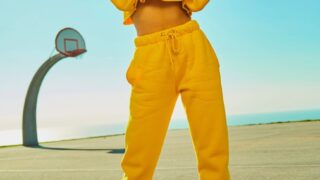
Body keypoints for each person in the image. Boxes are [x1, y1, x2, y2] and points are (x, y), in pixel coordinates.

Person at [111, 0, 230, 179]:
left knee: (212, 142)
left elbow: (197, 3)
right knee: (139, 148)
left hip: (194, 49)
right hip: (150, 58)